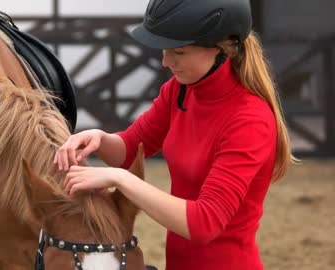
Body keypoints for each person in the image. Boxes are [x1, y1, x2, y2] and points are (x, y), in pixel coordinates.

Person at [54, 0, 297, 269]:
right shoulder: (180, 90)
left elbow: (205, 223)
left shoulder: (250, 120)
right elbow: (129, 149)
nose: (165, 62)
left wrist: (122, 180)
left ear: (223, 50)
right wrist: (97, 138)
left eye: (178, 52)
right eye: (165, 50)